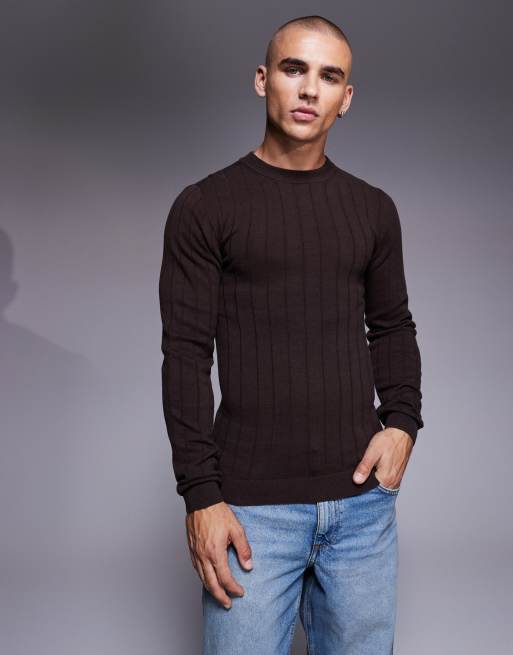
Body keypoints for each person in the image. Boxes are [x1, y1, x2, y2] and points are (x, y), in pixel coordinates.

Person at [158, 14, 424, 655]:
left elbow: (392, 326)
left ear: (346, 98)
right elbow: (186, 355)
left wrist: (403, 424)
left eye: (329, 76)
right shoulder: (205, 207)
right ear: (262, 80)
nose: (309, 89)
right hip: (250, 512)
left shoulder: (373, 209)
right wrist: (201, 496)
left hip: (360, 510)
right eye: (293, 68)